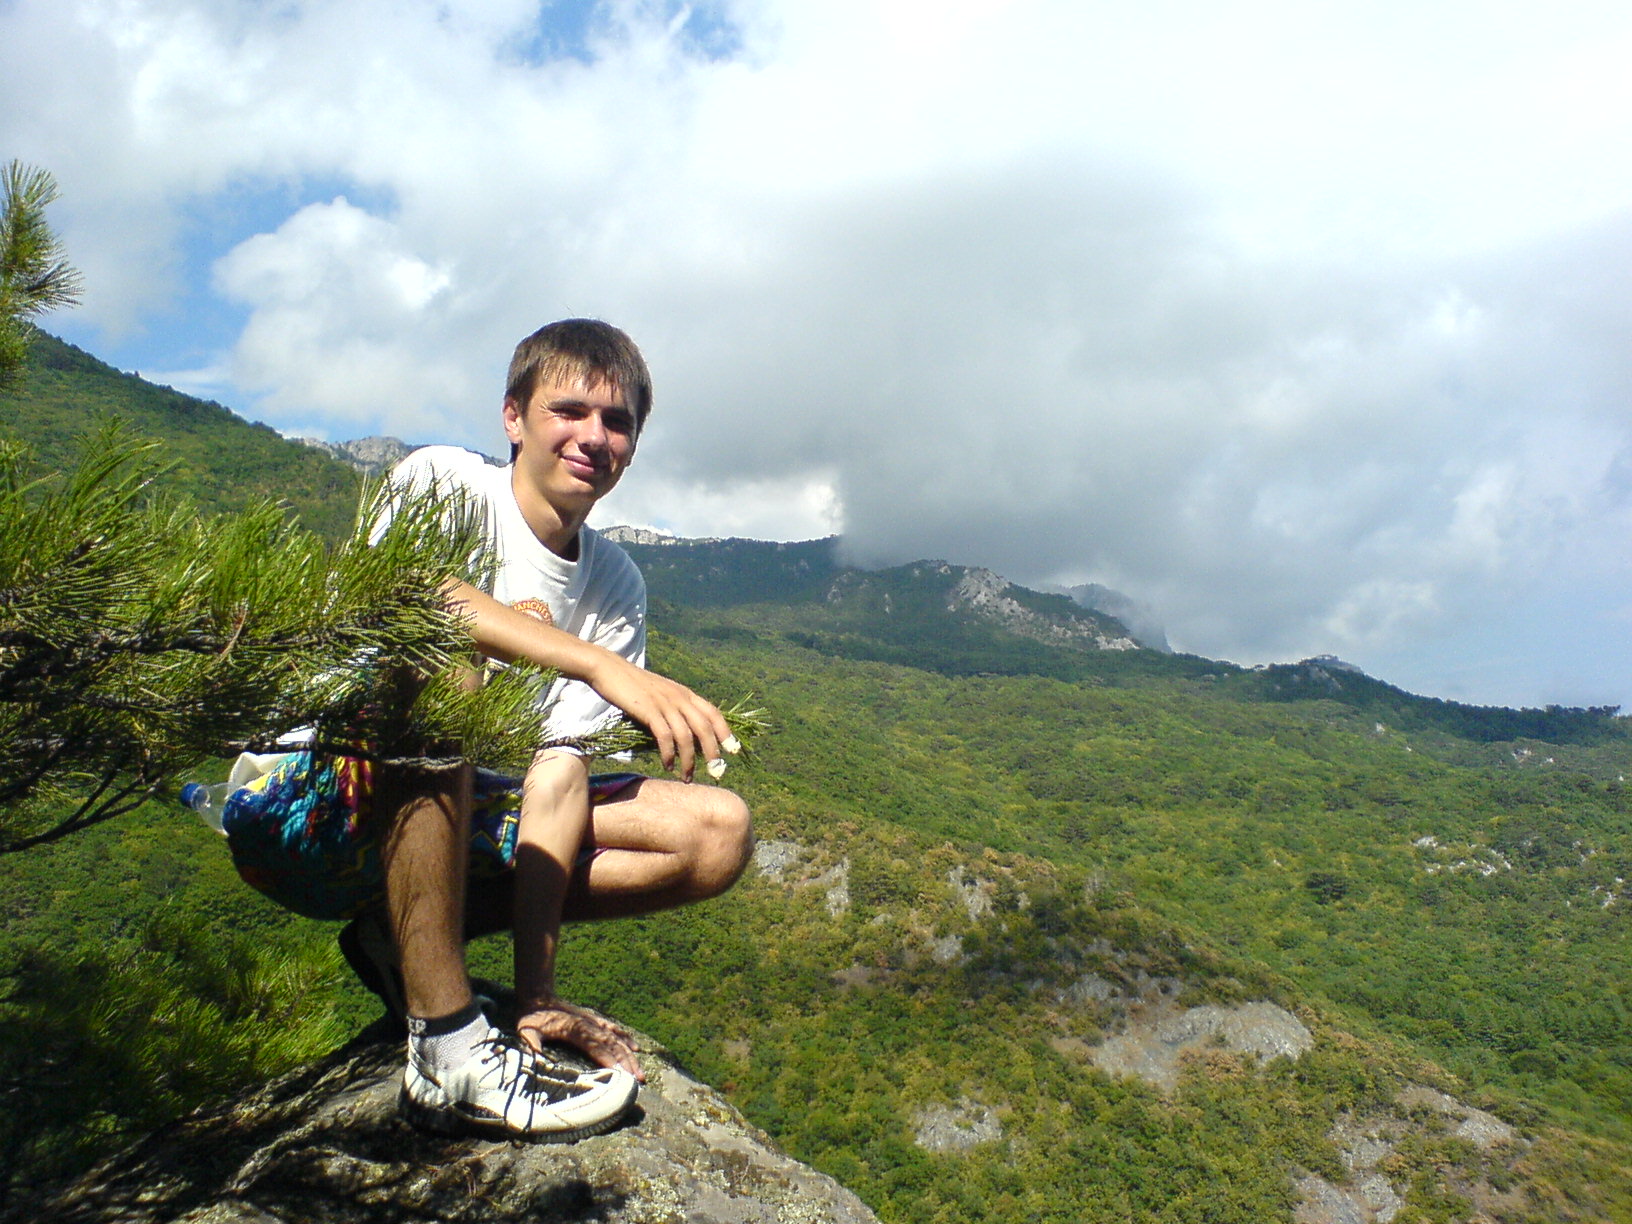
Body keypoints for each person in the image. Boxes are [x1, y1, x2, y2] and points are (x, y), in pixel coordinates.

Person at [222, 319, 753, 1142]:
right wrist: (598, 665)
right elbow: (421, 601)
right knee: (444, 659)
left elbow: (558, 779)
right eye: (568, 410)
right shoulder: (444, 481)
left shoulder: (614, 582)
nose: (593, 437)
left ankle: (400, 941)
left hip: (450, 821)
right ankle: (446, 1050)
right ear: (513, 417)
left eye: (616, 422)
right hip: (312, 808)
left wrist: (537, 995)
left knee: (716, 833)